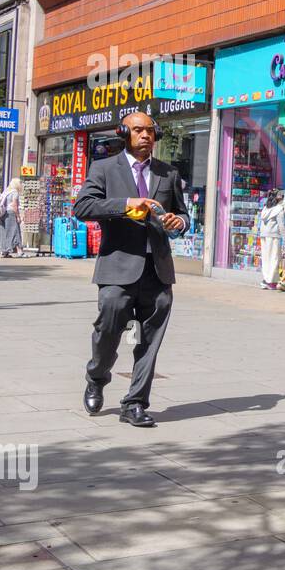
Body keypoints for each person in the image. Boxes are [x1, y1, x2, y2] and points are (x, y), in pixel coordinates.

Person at [74, 111, 189, 428]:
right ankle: (97, 377)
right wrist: (125, 205)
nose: (145, 136)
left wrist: (179, 222)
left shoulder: (168, 173)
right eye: (138, 130)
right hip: (117, 269)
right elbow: (83, 206)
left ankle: (135, 403)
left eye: (150, 131)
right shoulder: (104, 168)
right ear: (124, 133)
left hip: (158, 271)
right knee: (108, 330)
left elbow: (182, 214)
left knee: (148, 342)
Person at [256, 188, 285, 290]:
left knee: (266, 259)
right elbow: (282, 226)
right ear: (280, 198)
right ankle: (271, 281)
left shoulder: (266, 208)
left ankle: (266, 280)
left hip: (264, 236)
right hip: (274, 236)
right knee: (274, 258)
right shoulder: (279, 209)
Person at [0, 178, 24, 258]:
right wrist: (18, 216)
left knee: (4, 232)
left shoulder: (6, 191)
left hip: (2, 213)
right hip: (10, 213)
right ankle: (20, 251)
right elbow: (14, 205)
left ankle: (4, 251)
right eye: (20, 183)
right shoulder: (14, 192)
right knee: (15, 231)